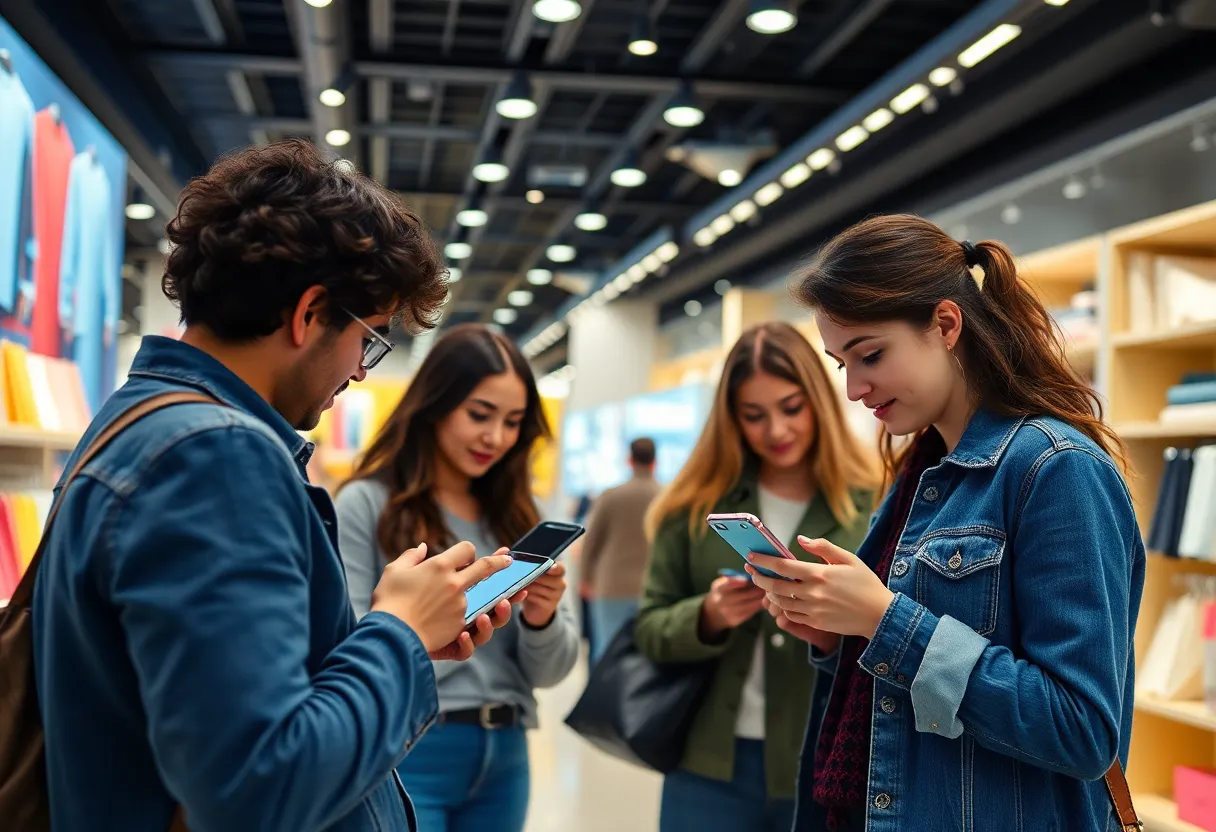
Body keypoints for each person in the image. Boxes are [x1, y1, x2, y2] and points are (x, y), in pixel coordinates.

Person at [32, 140, 517, 832]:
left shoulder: (144, 422)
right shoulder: (214, 459)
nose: (359, 372)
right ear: (310, 312)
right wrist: (398, 634)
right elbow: (261, 787)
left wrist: (383, 641)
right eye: (369, 339)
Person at [749, 214, 1144, 832]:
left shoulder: (1057, 469)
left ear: (946, 324)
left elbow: (1082, 729)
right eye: (840, 363)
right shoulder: (925, 469)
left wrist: (883, 621)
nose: (854, 388)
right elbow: (898, 699)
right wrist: (835, 631)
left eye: (870, 354)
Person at [635, 321, 880, 832]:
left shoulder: (873, 501)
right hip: (707, 766)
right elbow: (648, 629)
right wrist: (706, 616)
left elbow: (894, 629)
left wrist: (834, 634)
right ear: (731, 419)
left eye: (791, 408)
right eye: (754, 415)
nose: (777, 431)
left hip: (826, 762)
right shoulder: (693, 507)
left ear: (819, 401)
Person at [337, 323, 579, 832]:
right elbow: (354, 651)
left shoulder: (520, 514)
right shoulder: (366, 504)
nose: (495, 437)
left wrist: (541, 617)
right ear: (434, 404)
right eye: (479, 414)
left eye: (513, 421)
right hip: (411, 749)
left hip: (507, 753)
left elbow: (551, 673)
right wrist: (448, 621)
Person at [580, 436, 662, 662]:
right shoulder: (666, 496)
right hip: (653, 588)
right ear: (655, 461)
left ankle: (605, 698)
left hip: (610, 586)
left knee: (606, 651)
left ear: (629, 460)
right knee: (646, 655)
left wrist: (585, 578)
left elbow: (591, 542)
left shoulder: (611, 496)